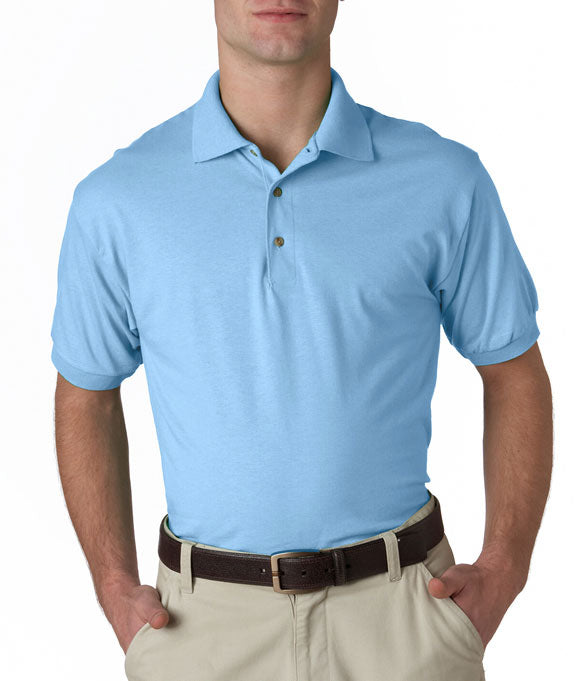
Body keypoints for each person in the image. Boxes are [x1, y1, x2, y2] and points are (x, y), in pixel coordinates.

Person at [50, 2, 553, 680]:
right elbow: (85, 393)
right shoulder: (119, 199)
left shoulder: (443, 180)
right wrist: (113, 585)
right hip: (199, 636)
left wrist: (505, 567)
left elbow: (514, 371)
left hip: (404, 625)